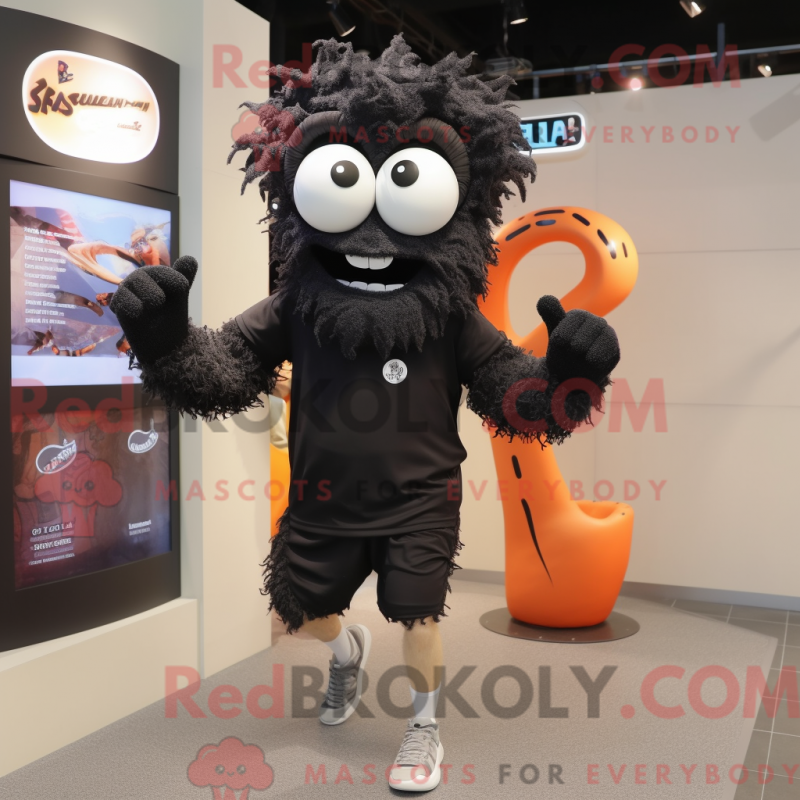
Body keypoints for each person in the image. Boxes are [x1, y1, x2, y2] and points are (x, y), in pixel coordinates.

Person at [110, 36, 620, 793]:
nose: (375, 237)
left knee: (419, 618)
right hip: (322, 501)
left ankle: (424, 730)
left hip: (421, 499)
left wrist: (569, 377)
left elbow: (515, 396)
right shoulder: (298, 305)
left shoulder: (449, 316)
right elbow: (224, 372)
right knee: (301, 613)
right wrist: (167, 343)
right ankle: (346, 650)